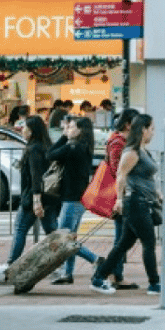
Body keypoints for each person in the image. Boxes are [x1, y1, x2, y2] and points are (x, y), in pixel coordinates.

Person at [91, 114, 165, 296]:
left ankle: (99, 277)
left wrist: (156, 192)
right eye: (152, 129)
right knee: (148, 242)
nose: (153, 133)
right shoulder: (132, 152)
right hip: (135, 202)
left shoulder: (142, 150)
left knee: (123, 244)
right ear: (143, 129)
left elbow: (144, 176)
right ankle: (154, 284)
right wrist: (119, 199)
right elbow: (121, 175)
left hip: (142, 201)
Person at [0, 115, 59, 277]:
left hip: (33, 198)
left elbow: (36, 176)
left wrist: (36, 201)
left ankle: (10, 265)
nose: (22, 130)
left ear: (32, 130)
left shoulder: (34, 149)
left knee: (21, 229)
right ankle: (71, 264)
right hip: (49, 197)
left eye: (25, 127)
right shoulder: (46, 146)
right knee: (54, 233)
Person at [47, 115, 101, 284]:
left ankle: (95, 259)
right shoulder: (83, 147)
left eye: (71, 127)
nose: (68, 130)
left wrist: (63, 136)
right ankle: (67, 273)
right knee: (70, 237)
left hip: (72, 200)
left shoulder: (73, 148)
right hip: (77, 199)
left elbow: (50, 154)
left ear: (80, 130)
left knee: (65, 240)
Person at [99, 109, 142, 289]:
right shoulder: (118, 143)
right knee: (121, 239)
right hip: (121, 196)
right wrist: (120, 199)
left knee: (122, 238)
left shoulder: (120, 141)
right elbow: (119, 172)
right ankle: (113, 274)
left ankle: (113, 273)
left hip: (123, 196)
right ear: (128, 125)